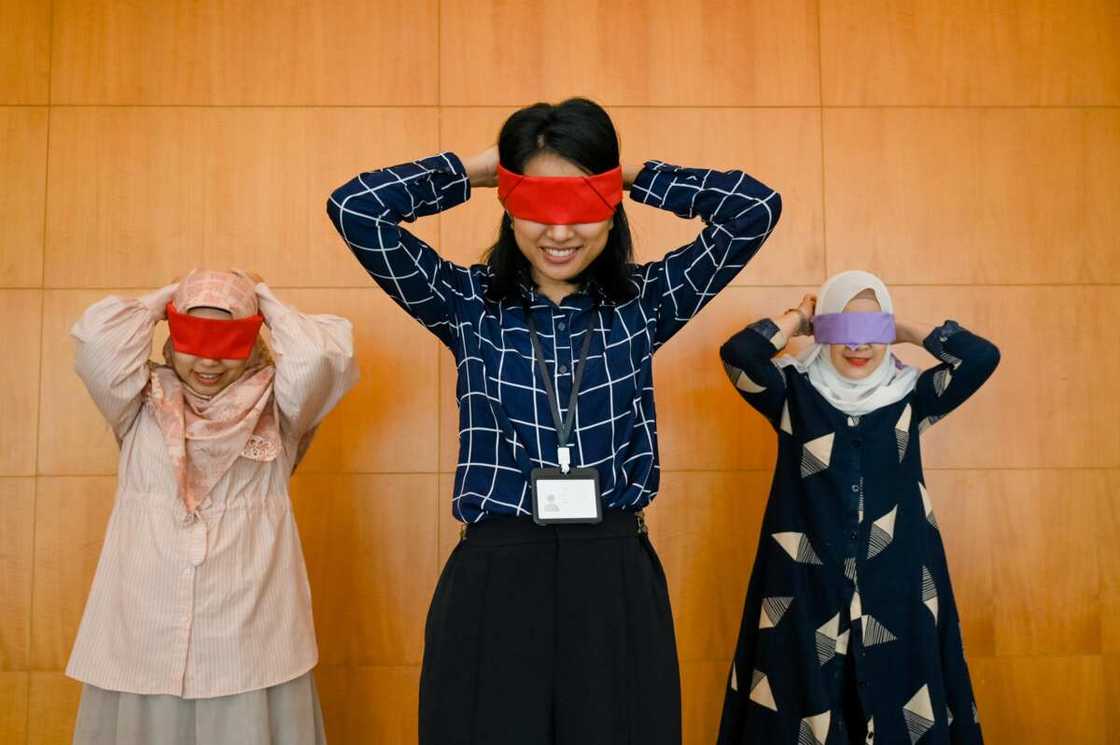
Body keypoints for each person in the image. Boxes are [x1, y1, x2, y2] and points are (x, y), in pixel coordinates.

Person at [327, 97, 782, 745]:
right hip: (497, 572)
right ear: (509, 206)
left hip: (613, 570)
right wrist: (478, 169)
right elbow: (356, 209)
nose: (559, 229)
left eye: (580, 203)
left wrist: (630, 175)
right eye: (537, 203)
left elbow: (753, 209)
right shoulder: (466, 302)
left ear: (609, 206)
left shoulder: (645, 301)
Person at [66, 269, 357, 745]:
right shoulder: (137, 400)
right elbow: (98, 342)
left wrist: (259, 296)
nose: (207, 359)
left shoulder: (280, 408)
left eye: (227, 342)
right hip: (145, 620)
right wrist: (170, 296)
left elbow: (324, 356)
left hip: (246, 625)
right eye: (191, 338)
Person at [716, 270, 999, 745]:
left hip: (900, 581)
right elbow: (739, 355)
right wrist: (799, 318)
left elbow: (981, 358)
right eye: (844, 330)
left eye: (871, 332)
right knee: (798, 707)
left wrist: (905, 329)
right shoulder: (793, 393)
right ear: (824, 332)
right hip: (804, 583)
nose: (858, 345)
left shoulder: (911, 396)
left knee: (903, 706)